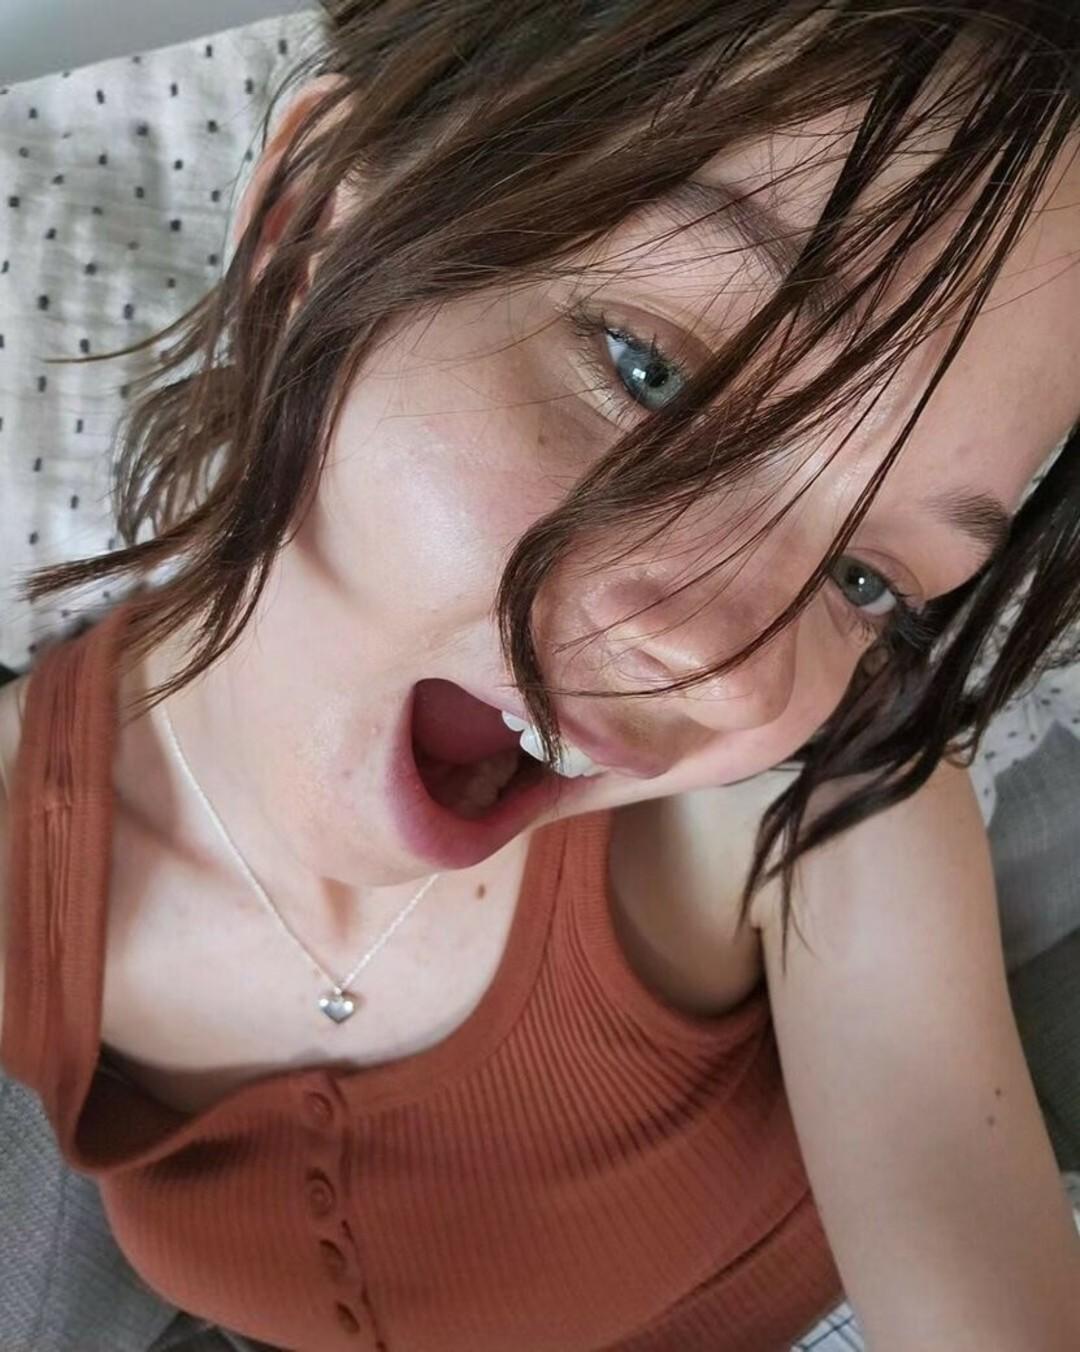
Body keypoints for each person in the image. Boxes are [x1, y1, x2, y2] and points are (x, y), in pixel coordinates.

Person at [2, 2, 1080, 1348]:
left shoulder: (821, 820)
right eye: (651, 375)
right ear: (308, 223)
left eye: (869, 581)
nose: (727, 671)